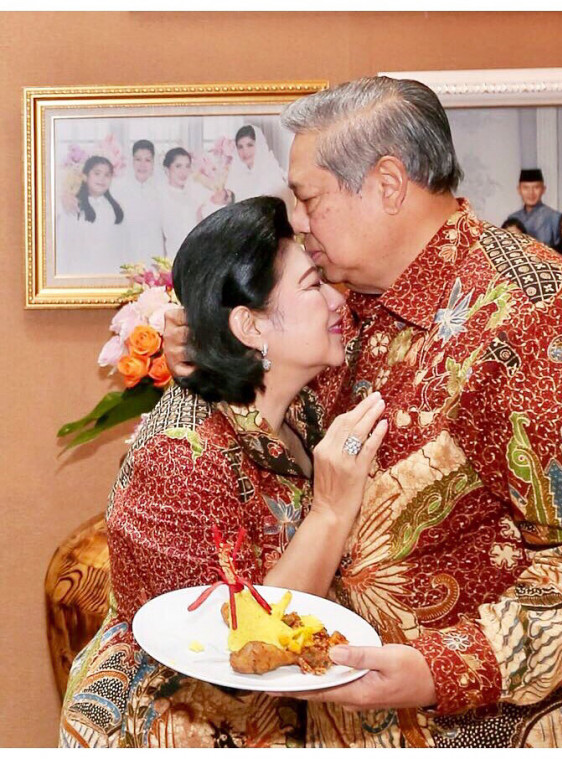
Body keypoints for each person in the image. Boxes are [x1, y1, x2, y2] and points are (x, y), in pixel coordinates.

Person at [164, 76, 562, 748]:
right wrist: (216, 354)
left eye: (308, 198)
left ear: (387, 185)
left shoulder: (545, 319)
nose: (296, 220)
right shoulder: (350, 309)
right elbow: (288, 446)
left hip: (551, 727)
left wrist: (439, 669)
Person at [58, 197, 389, 748]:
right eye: (314, 286)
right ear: (250, 325)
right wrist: (330, 512)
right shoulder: (182, 456)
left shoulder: (297, 404)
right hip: (174, 720)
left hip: (281, 704)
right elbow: (233, 644)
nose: (339, 300)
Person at [56, 155, 128, 275]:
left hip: (109, 273)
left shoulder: (115, 209)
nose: (102, 179)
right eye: (97, 173)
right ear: (85, 176)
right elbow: (63, 247)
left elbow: (122, 248)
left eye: (107, 175)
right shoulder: (72, 206)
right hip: (79, 273)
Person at [114, 139, 165, 261]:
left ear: (154, 162)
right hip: (126, 251)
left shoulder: (162, 190)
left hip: (154, 251)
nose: (142, 165)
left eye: (147, 160)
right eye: (138, 159)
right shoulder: (117, 189)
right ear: (132, 161)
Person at [226, 125, 294, 214]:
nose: (245, 151)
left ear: (259, 145)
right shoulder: (236, 175)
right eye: (240, 147)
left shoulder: (271, 172)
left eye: (250, 145)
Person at [159, 147, 210, 259]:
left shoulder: (195, 196)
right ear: (167, 169)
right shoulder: (160, 198)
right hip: (171, 259)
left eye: (187, 166)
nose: (184, 172)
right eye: (178, 166)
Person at [507, 168, 561, 246]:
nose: (531, 193)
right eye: (526, 188)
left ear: (543, 189)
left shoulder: (554, 217)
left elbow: (561, 250)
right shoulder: (513, 218)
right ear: (519, 190)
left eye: (536, 187)